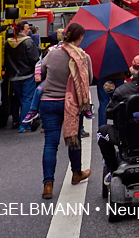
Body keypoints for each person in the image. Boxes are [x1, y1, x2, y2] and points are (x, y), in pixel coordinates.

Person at [38, 22, 94, 199]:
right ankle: (76, 173)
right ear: (79, 37)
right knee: (73, 140)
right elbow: (89, 80)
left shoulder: (52, 54)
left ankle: (48, 185)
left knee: (50, 144)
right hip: (71, 104)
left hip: (48, 102)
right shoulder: (83, 57)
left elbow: (43, 71)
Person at [96, 53, 139, 179]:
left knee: (101, 133)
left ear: (133, 70)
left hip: (129, 138)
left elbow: (109, 112)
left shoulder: (123, 91)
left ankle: (113, 170)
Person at [6, 20, 39, 132]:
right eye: (27, 29)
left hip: (14, 76)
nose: (29, 30)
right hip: (27, 74)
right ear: (21, 30)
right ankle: (24, 124)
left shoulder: (8, 43)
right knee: (27, 99)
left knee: (19, 99)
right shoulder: (28, 42)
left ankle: (18, 120)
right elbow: (34, 59)